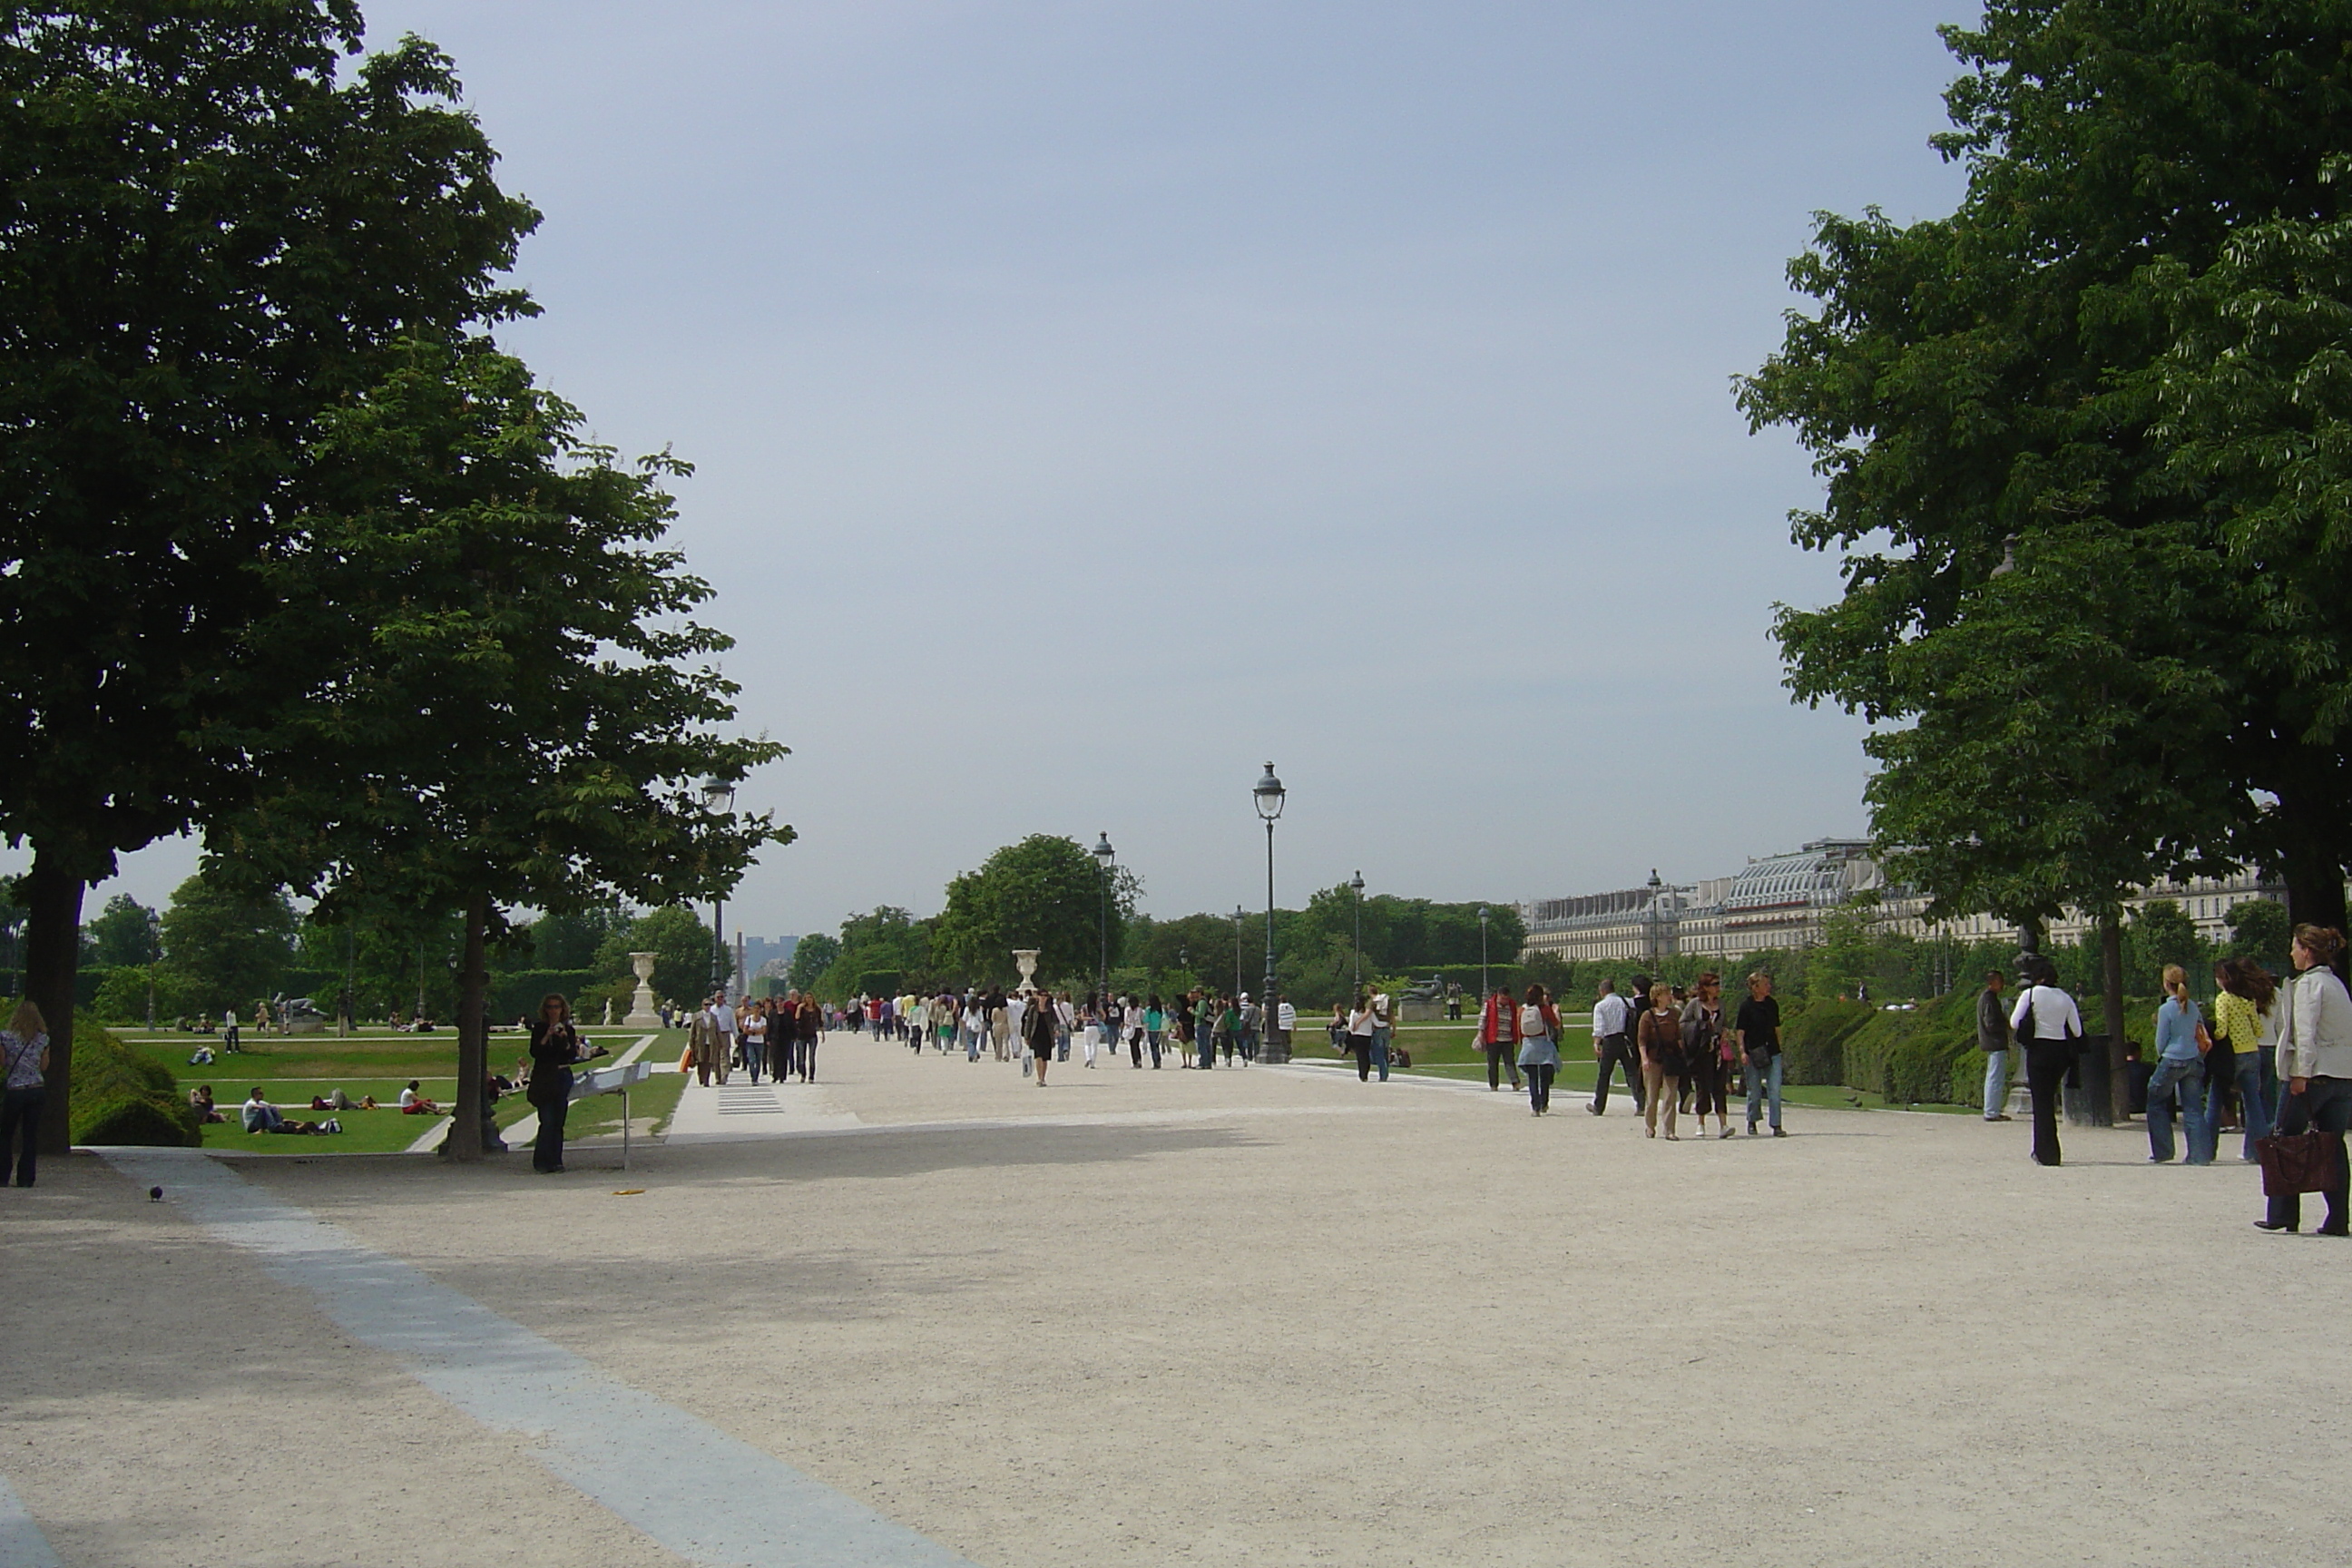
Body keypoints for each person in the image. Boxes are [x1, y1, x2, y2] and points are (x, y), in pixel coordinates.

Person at [2257, 925, 2352, 1235]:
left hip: (2314, 1073)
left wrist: (2300, 1073)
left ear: (2307, 952)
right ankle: (2338, 1218)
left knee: (2283, 1138)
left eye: (2295, 947)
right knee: (2332, 1145)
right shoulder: (2337, 984)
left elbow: (2306, 1034)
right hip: (2342, 1073)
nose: (2291, 953)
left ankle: (2283, 1213)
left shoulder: (2308, 986)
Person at [2010, 957, 2084, 1167]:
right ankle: (2046, 1149)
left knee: (2041, 1104)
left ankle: (2046, 1151)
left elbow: (2014, 1022)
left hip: (2039, 1050)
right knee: (2049, 1099)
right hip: (2060, 1052)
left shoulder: (2030, 994)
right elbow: (2077, 1030)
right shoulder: (2066, 998)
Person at [2211, 958, 2277, 1163]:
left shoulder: (2224, 999)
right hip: (2252, 1052)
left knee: (2215, 1101)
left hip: (2233, 1054)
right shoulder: (2247, 1000)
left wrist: (2212, 1034)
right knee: (2254, 1103)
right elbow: (2258, 1029)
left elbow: (2221, 1031)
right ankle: (2258, 1151)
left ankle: (2205, 1149)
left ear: (2221, 979)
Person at [2147, 963, 2213, 1165]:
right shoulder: (2193, 1006)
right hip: (2193, 1059)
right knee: (2193, 1108)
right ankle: (2199, 1155)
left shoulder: (2166, 1009)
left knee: (2155, 1101)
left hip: (2172, 1058)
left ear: (2166, 983)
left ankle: (2163, 1151)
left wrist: (2161, 1056)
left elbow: (2161, 1040)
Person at [527, 993, 584, 1174]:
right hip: (545, 1077)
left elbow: (571, 1056)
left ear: (562, 1009)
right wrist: (547, 1035)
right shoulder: (539, 1028)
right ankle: (542, 1161)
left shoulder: (568, 1029)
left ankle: (556, 1160)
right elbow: (535, 1052)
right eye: (550, 1007)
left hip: (561, 1075)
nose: (553, 1011)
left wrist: (565, 1040)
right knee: (547, 1120)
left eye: (557, 1007)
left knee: (558, 1120)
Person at [2, 1002, 50, 1187]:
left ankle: (2, 1175)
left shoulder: (5, 1037)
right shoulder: (43, 1039)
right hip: (36, 1088)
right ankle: (26, 1178)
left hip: (16, 1089)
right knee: (30, 1135)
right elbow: (44, 1066)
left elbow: (3, 1062)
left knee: (6, 1133)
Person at [1681, 973, 1733, 1140]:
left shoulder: (1721, 1004)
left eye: (1718, 984)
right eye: (1714, 984)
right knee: (1702, 1086)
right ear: (1705, 987)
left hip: (1717, 1049)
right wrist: (1700, 1027)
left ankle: (1723, 1123)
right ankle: (1701, 1122)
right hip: (1701, 1050)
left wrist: (1725, 1031)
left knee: (1719, 1085)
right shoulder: (1695, 1004)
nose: (1718, 988)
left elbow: (1725, 1023)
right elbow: (1682, 1024)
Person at [1735, 970, 1786, 1137]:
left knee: (1775, 1091)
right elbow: (1740, 1032)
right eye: (1765, 984)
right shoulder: (1746, 1006)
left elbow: (1777, 1028)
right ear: (1755, 987)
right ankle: (1752, 1120)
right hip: (1753, 1052)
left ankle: (1776, 1124)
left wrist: (1780, 1047)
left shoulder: (1772, 1004)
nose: (1768, 987)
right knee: (1754, 1091)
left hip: (1772, 1051)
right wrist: (1742, 1051)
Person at [1588, 977, 1641, 1117]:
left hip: (1609, 1041)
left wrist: (1596, 1042)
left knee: (1604, 1075)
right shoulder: (1625, 1001)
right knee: (1631, 1073)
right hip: (1624, 1039)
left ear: (1603, 991)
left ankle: (1599, 1107)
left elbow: (1599, 1027)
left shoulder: (1601, 1005)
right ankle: (1641, 1103)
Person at [1637, 982, 1683, 1139]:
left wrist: (1682, 1055)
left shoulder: (1674, 1015)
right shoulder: (1647, 1016)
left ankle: (1670, 1129)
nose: (1669, 996)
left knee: (1670, 1095)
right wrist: (1644, 1059)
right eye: (1666, 994)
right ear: (1657, 997)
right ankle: (1650, 1126)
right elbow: (1642, 1040)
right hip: (1653, 1057)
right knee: (1652, 1095)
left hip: (1670, 1057)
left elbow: (1679, 1037)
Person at [1517, 984, 1562, 1115]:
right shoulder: (1545, 1009)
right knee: (1544, 1077)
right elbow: (1557, 1025)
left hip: (1528, 1044)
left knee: (1532, 1078)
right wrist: (1556, 1012)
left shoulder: (1522, 1010)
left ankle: (1535, 1107)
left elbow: (1519, 1029)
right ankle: (1544, 1103)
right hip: (1542, 1044)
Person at [1976, 969, 2013, 1122]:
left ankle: (1992, 1109)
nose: (2002, 985)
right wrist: (2006, 1025)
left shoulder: (1987, 998)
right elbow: (1990, 1023)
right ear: (1992, 983)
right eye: (2000, 981)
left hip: (1992, 1042)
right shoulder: (1990, 999)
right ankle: (1992, 1111)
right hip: (1995, 1042)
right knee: (1995, 1077)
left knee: (1994, 1076)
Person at [1476, 983, 1523, 1093]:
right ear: (1498, 995)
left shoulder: (1512, 1005)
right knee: (1493, 1063)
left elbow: (1515, 1021)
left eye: (1506, 998)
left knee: (1509, 1061)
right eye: (1503, 998)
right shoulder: (1490, 1004)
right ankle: (1494, 1084)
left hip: (1508, 1038)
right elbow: (1482, 1019)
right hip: (1493, 1038)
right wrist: (1480, 1033)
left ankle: (1515, 1082)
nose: (1504, 1001)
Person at [1021, 983, 1057, 1086]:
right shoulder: (1033, 1009)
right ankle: (1039, 1078)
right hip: (1035, 1034)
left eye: (1046, 996)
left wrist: (1056, 1029)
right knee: (1038, 1056)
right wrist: (1026, 1036)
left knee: (1045, 1058)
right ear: (1038, 996)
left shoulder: (1050, 1009)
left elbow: (1055, 1021)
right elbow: (1029, 1023)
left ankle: (1043, 1077)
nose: (1044, 998)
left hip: (1047, 1035)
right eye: (1042, 996)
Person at [689, 995, 724, 1087]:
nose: (708, 1006)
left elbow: (718, 1031)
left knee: (709, 1061)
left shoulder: (713, 1017)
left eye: (709, 1005)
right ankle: (701, 1077)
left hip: (711, 1042)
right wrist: (691, 1043)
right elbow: (692, 1031)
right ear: (702, 1005)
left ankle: (706, 1080)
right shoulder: (697, 1016)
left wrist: (721, 1042)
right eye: (706, 1004)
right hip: (700, 1043)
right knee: (701, 1061)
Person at [1348, 992, 1380, 1081]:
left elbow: (1351, 1026)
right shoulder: (1369, 1013)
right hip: (1367, 1036)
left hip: (1357, 1036)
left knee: (1360, 1055)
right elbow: (1376, 1023)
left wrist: (1352, 1030)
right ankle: (1365, 1072)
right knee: (1366, 1055)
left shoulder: (1354, 1013)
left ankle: (1362, 1074)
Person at [739, 1000, 769, 1085]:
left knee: (758, 1061)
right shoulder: (749, 1019)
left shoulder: (763, 1019)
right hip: (750, 1042)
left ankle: (756, 1078)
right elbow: (745, 1030)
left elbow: (764, 1031)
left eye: (758, 1009)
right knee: (751, 1060)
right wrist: (754, 1032)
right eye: (755, 1008)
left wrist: (753, 1032)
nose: (757, 1010)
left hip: (760, 1042)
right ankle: (752, 1076)